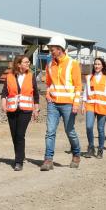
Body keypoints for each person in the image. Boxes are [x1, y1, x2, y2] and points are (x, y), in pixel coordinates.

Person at [40, 36, 82, 171]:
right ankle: (48, 160)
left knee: (70, 131)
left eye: (53, 49)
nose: (51, 51)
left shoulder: (72, 63)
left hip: (68, 104)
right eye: (51, 49)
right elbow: (48, 83)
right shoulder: (50, 64)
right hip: (53, 103)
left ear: (60, 49)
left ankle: (76, 154)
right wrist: (47, 94)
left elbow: (78, 86)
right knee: (50, 131)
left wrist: (76, 104)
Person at [1, 54, 40, 170]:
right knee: (14, 135)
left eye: (28, 62)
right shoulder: (9, 76)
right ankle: (21, 155)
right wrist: (3, 103)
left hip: (26, 110)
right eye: (26, 62)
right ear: (18, 64)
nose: (28, 64)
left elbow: (36, 94)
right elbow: (4, 93)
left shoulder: (31, 76)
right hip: (12, 109)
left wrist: (36, 109)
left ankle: (18, 162)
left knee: (20, 135)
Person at [82, 57, 106, 158]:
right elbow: (85, 91)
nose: (97, 66)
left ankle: (100, 149)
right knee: (89, 127)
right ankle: (91, 148)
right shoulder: (89, 77)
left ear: (102, 66)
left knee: (100, 129)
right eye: (95, 64)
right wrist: (83, 103)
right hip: (90, 105)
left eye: (99, 64)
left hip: (102, 106)